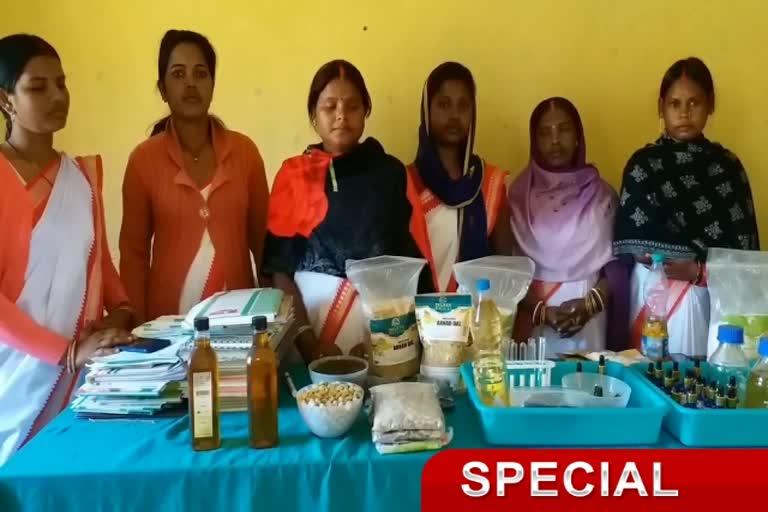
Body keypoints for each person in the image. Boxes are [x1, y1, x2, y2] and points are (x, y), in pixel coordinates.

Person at [0, 34, 135, 465]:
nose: (57, 96)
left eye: (61, 83)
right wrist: (68, 353)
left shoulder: (81, 177)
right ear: (6, 101)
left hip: (85, 378)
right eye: (37, 87)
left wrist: (121, 315)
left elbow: (103, 267)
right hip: (17, 383)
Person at [264, 59, 427, 362]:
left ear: (366, 111)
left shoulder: (390, 174)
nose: (341, 115)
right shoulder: (293, 176)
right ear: (314, 115)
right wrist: (309, 344)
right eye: (330, 106)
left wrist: (389, 339)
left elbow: (414, 262)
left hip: (383, 339)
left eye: (352, 106)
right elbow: (278, 272)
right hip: (307, 339)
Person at [120, 30, 269, 323]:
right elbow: (134, 257)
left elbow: (265, 246)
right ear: (162, 89)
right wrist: (136, 329)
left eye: (201, 74)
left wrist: (270, 318)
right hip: (166, 330)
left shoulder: (245, 153)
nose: (190, 83)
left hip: (238, 325)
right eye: (178, 74)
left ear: (213, 85)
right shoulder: (143, 161)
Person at [614, 57, 760, 357]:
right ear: (661, 107)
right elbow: (633, 240)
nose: (684, 113)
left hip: (711, 295)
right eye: (674, 103)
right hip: (653, 293)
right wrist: (663, 262)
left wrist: (698, 271)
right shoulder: (644, 165)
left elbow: (743, 256)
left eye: (694, 103)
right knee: (652, 379)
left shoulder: (727, 167)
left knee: (700, 383)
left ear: (710, 105)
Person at [509, 97, 627, 356]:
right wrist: (541, 311)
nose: (554, 140)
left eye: (563, 129)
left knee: (589, 390)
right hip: (533, 321)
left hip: (592, 317)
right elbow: (506, 269)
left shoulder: (603, 198)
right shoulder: (516, 198)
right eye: (544, 133)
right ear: (534, 141)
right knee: (533, 391)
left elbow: (618, 265)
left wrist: (591, 304)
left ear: (577, 136)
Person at [407, 62, 515, 292]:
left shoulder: (490, 183)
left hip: (476, 320)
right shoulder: (405, 183)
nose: (454, 115)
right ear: (427, 110)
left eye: (464, 106)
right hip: (419, 319)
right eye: (444, 104)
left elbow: (504, 265)